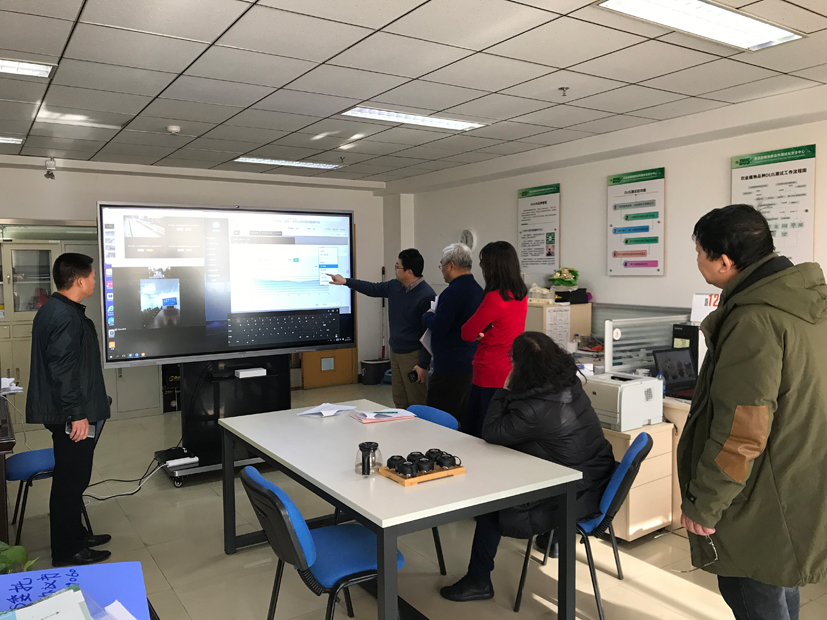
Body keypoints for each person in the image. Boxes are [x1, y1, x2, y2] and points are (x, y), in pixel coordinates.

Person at [679, 204, 827, 620]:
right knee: (780, 576)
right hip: (799, 474)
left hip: (761, 490)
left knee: (754, 590)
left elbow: (742, 429)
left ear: (724, 262)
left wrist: (705, 503)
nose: (697, 260)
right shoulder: (805, 302)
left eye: (699, 252)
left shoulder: (754, 320)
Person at [440, 332, 615, 602]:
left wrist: (504, 389)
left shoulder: (535, 407)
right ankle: (552, 539)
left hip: (576, 496)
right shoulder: (569, 384)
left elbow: (492, 431)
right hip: (596, 477)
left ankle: (478, 580)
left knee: (493, 507)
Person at [27, 253, 112, 567]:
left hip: (70, 411)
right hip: (71, 415)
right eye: (92, 276)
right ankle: (67, 550)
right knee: (70, 482)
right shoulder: (64, 315)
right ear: (79, 280)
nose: (95, 280)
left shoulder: (58, 309)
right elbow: (63, 371)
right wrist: (77, 414)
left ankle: (76, 535)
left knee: (74, 478)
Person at [329, 249, 435, 409]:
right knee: (399, 399)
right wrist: (346, 281)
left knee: (417, 401)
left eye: (398, 266)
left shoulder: (426, 296)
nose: (395, 269)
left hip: (413, 356)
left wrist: (423, 364)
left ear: (409, 271)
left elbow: (429, 333)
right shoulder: (395, 286)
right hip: (396, 352)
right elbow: (372, 288)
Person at [460, 241, 528, 437]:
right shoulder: (520, 295)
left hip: (488, 370)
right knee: (497, 428)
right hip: (509, 368)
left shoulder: (495, 298)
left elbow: (467, 333)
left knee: (477, 429)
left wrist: (480, 333)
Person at [422, 243, 483, 427]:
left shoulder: (452, 292)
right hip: (470, 361)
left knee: (439, 417)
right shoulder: (478, 290)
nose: (442, 270)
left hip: (450, 367)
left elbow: (439, 326)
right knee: (462, 416)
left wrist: (428, 315)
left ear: (451, 265)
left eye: (441, 265)